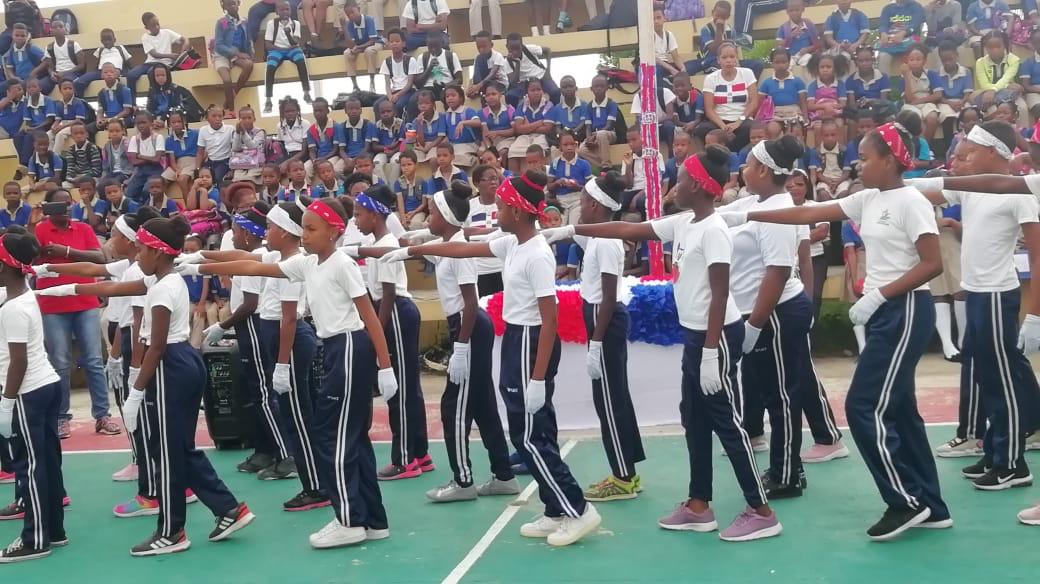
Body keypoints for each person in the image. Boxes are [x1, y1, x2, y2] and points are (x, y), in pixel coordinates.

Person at [720, 118, 952, 540]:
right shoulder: (868, 198)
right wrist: (743, 215)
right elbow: (808, 212)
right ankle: (933, 506)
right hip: (884, 311)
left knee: (864, 407)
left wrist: (880, 296)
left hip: (903, 310)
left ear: (889, 160)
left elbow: (932, 263)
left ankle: (905, 501)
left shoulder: (911, 201)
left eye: (865, 158)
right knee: (901, 411)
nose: (858, 164)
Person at [543, 148, 782, 540]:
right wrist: (571, 232)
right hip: (697, 335)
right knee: (694, 418)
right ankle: (699, 504)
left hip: (716, 336)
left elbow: (720, 294)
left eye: (683, 178)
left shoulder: (714, 231)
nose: (676, 184)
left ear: (700, 186)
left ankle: (761, 510)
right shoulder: (685, 222)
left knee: (726, 422)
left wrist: (710, 353)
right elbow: (630, 231)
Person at [384, 171, 601, 546]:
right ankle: (554, 509)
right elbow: (464, 249)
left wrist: (537, 379)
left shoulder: (536, 254)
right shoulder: (512, 243)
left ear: (516, 210)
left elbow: (550, 320)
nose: (494, 211)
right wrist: (413, 251)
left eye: (500, 206)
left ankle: (577, 509)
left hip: (531, 340)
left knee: (528, 436)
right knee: (533, 431)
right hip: (517, 337)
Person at [177, 195, 398, 548]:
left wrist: (385, 367)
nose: (304, 234)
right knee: (353, 437)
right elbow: (255, 266)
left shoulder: (341, 264)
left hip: (349, 346)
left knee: (332, 436)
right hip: (336, 348)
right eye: (303, 228)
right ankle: (373, 519)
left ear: (333, 231)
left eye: (311, 229)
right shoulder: (308, 263)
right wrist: (200, 266)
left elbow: (368, 315)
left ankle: (350, 520)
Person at [40, 216, 256, 555]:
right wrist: (66, 288)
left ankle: (171, 532)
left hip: (170, 365)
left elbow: (155, 346)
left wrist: (136, 391)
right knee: (177, 448)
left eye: (141, 249)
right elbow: (114, 289)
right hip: (181, 362)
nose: (137, 254)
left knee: (167, 454)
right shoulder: (161, 280)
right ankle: (229, 509)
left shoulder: (162, 289)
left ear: (156, 252)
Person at [372, 181, 520, 501]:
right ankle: (504, 475)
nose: (428, 218)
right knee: (482, 405)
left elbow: (471, 302)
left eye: (433, 213)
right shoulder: (447, 244)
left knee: (454, 407)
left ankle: (462, 481)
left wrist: (462, 347)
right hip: (467, 326)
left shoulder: (459, 252)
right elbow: (413, 243)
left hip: (468, 326)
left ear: (447, 217)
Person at [346, 185, 430, 479]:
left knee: (400, 389)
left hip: (394, 313)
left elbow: (389, 294)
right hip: (393, 311)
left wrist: (376, 334)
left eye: (359, 214)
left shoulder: (386, 245)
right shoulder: (379, 242)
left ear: (374, 214)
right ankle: (420, 452)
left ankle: (404, 459)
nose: (355, 220)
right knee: (408, 387)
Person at [0, 227, 64, 563]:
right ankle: (54, 529)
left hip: (27, 392)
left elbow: (19, 361)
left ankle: (35, 540)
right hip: (47, 385)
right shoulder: (22, 295)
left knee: (30, 466)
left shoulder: (13, 308)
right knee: (48, 462)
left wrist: (6, 403)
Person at [34, 188, 118, 439]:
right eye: (59, 205)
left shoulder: (83, 228)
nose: (66, 208)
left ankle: (102, 415)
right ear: (48, 208)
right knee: (59, 362)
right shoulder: (39, 229)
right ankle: (61, 417)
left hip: (85, 302)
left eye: (68, 203)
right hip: (52, 305)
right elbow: (29, 258)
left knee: (93, 360)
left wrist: (66, 252)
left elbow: (99, 257)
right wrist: (32, 224)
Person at [696, 42, 758, 152]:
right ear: (718, 60)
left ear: (736, 58)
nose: (728, 60)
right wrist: (723, 127)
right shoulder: (711, 78)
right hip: (719, 121)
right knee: (702, 129)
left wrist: (738, 122)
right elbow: (709, 110)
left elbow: (754, 102)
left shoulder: (747, 73)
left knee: (750, 128)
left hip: (742, 119)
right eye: (724, 57)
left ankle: (729, 154)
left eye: (732, 57)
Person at [263, 0, 313, 114]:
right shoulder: (272, 24)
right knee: (270, 67)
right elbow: (268, 45)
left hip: (292, 50)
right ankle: (268, 100)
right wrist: (281, 49)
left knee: (301, 60)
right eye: (282, 9)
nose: (285, 12)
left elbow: (295, 42)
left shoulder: (295, 23)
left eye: (287, 9)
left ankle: (306, 93)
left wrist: (287, 33)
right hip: (277, 50)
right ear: (277, 12)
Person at [125, 12, 186, 98]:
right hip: (149, 63)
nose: (157, 27)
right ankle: (132, 103)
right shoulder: (145, 37)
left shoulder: (167, 32)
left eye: (158, 24)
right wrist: (170, 55)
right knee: (130, 75)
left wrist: (184, 47)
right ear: (147, 27)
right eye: (153, 26)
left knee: (151, 73)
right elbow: (154, 54)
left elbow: (184, 39)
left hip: (164, 64)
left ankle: (155, 99)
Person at [213, 0, 255, 114]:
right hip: (222, 55)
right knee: (227, 80)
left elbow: (248, 41)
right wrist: (236, 53)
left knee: (249, 65)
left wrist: (250, 55)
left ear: (238, 3)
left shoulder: (244, 22)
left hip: (236, 55)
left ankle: (232, 94)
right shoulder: (222, 22)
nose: (232, 6)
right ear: (224, 7)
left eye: (233, 3)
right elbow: (219, 45)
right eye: (228, 4)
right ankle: (231, 111)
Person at [74, 28, 134, 98]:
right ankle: (80, 101)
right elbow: (96, 64)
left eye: (109, 39)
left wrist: (130, 72)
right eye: (105, 40)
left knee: (118, 87)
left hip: (116, 71)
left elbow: (129, 62)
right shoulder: (100, 50)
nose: (107, 42)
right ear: (101, 41)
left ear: (114, 40)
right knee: (78, 82)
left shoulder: (120, 48)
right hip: (101, 71)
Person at [342, 0, 384, 91]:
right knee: (347, 53)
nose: (351, 16)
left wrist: (358, 47)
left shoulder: (368, 19)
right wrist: (344, 28)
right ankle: (355, 85)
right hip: (360, 46)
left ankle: (372, 81)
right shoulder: (350, 24)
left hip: (375, 43)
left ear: (359, 9)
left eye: (352, 12)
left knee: (369, 51)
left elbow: (372, 41)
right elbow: (351, 45)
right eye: (348, 14)